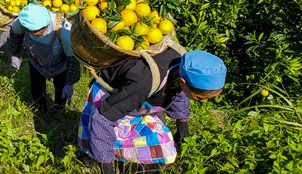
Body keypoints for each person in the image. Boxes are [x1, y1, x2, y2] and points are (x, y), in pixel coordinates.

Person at [77, 48, 227, 173]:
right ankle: (93, 155)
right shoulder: (143, 82)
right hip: (114, 98)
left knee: (159, 141)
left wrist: (182, 124)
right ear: (183, 81)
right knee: (102, 138)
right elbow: (103, 118)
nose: (205, 101)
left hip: (141, 102)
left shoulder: (181, 66)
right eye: (201, 97)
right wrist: (106, 166)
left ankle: (127, 163)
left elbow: (178, 93)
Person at [7, 4, 81, 111]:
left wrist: (70, 82)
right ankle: (40, 108)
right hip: (36, 62)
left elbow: (72, 60)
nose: (31, 34)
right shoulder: (22, 23)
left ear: (45, 26)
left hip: (60, 65)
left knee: (61, 89)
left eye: (35, 32)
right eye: (28, 31)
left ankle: (59, 109)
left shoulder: (63, 31)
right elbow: (15, 36)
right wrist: (15, 54)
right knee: (36, 89)